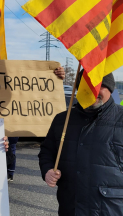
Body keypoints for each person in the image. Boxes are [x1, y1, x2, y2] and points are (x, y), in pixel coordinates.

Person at [38, 71, 123, 215]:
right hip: (70, 208)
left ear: (110, 88)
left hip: (111, 210)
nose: (92, 91)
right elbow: (46, 152)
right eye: (86, 87)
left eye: (98, 86)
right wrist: (47, 170)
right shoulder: (62, 120)